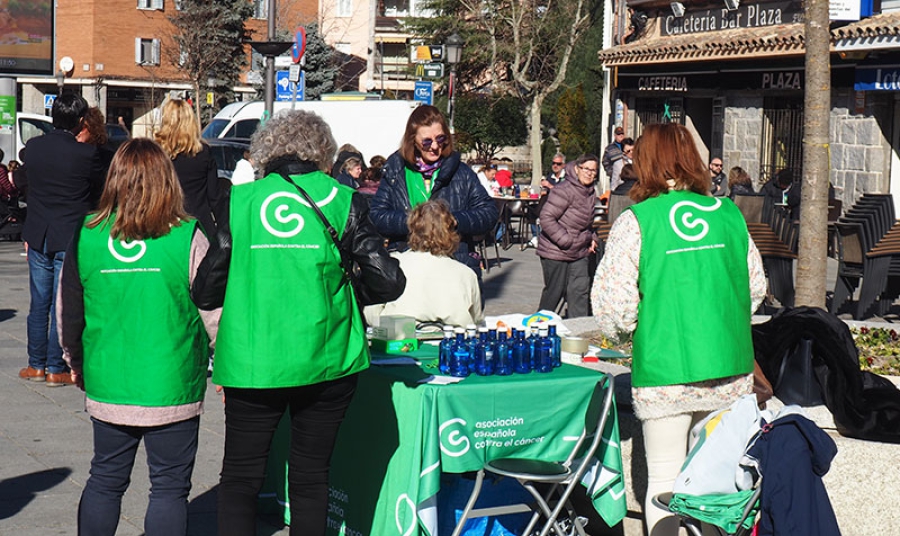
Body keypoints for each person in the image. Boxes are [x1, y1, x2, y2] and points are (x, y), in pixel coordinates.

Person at [191, 110, 406, 536]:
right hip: (326, 356)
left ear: (267, 150)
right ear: (323, 153)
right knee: (311, 475)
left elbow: (206, 291)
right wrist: (345, 293)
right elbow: (387, 280)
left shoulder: (241, 200)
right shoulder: (343, 198)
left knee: (240, 478)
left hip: (254, 360)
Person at [591, 123, 766, 536]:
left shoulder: (638, 221)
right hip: (729, 366)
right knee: (716, 487)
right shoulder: (729, 215)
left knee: (665, 485)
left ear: (646, 161)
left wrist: (628, 338)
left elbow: (613, 307)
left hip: (666, 370)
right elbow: (756, 288)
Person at [58, 138, 218, 536]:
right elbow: (213, 313)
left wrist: (74, 360)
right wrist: (225, 361)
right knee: (168, 487)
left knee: (106, 479)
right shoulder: (188, 237)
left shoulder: (87, 235)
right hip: (172, 380)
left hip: (110, 377)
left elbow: (68, 310)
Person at [17, 93, 103, 387]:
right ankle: (57, 367)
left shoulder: (35, 147)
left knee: (39, 304)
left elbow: (22, 183)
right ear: (81, 122)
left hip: (38, 232)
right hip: (69, 234)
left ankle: (36, 364)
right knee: (61, 304)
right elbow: (98, 190)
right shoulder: (86, 155)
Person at [369, 105, 498, 277]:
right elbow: (377, 216)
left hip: (453, 266)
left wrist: (452, 221)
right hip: (407, 267)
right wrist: (414, 222)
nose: (435, 146)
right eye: (427, 141)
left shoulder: (462, 172)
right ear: (413, 140)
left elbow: (488, 213)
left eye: (440, 138)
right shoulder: (395, 171)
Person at [365, 200, 482, 328]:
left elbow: (371, 314)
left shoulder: (391, 265)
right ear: (450, 232)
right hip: (451, 340)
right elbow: (476, 320)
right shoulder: (465, 274)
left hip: (399, 338)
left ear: (412, 229)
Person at [536, 154, 599, 318]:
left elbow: (587, 223)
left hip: (580, 251)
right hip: (556, 251)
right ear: (577, 169)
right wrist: (566, 240)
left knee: (579, 291)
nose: (590, 173)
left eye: (594, 170)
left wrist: (592, 238)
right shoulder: (564, 190)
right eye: (586, 169)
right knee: (555, 293)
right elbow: (546, 217)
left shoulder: (590, 192)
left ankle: (577, 334)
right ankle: (539, 330)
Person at [155, 99, 219, 237]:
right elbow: (214, 197)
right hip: (199, 225)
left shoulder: (157, 154)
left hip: (165, 225)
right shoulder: (204, 152)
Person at [77, 106, 115, 185]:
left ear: (93, 128)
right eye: (76, 128)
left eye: (82, 128)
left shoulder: (105, 154)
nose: (78, 132)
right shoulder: (73, 150)